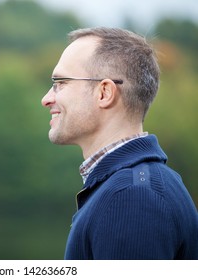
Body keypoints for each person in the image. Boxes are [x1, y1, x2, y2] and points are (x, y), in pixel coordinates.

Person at [41, 27, 198, 260]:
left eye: (61, 82)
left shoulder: (132, 197)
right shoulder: (141, 184)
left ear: (104, 92)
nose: (46, 99)